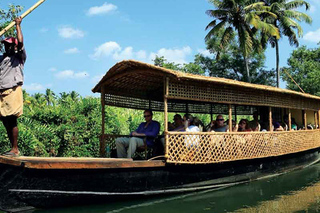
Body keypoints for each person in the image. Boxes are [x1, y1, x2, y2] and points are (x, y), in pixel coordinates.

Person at [0, 17, 26, 157]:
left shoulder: (18, 57)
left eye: (10, 45)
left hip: (13, 90)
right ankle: (12, 148)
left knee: (11, 118)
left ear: (14, 46)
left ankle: (15, 148)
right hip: (1, 92)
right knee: (4, 120)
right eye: (5, 44)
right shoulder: (1, 59)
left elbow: (21, 42)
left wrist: (17, 25)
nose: (7, 47)